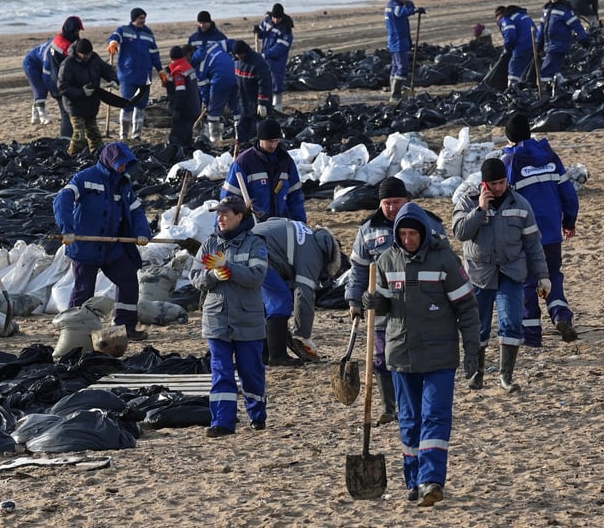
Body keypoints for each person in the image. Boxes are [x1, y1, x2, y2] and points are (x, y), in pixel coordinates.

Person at [363, 202, 480, 506]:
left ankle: (431, 480)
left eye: (413, 234)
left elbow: (467, 308)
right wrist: (372, 301)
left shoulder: (445, 261)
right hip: (401, 355)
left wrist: (472, 350)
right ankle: (414, 480)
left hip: (439, 355)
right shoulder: (386, 261)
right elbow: (384, 305)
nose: (408, 239)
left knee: (435, 416)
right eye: (402, 234)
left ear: (423, 233)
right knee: (410, 420)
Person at [346, 178, 448, 424]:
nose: (391, 208)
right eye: (387, 203)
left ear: (408, 201)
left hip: (420, 304)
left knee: (417, 356)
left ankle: (415, 405)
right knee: (382, 356)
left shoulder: (430, 224)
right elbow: (358, 268)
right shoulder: (368, 229)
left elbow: (446, 263)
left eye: (396, 202)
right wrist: (354, 299)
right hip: (382, 304)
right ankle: (388, 407)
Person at [452, 157, 548, 393]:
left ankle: (506, 377)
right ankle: (477, 374)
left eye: (502, 182)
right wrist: (480, 210)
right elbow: (460, 233)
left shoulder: (520, 204)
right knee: (479, 326)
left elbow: (533, 244)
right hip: (479, 274)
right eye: (493, 184)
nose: (498, 188)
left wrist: (543, 275)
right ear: (484, 184)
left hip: (511, 272)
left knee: (511, 322)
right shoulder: (467, 201)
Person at [53, 142, 152, 340]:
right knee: (84, 290)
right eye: (120, 163)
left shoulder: (124, 184)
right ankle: (75, 330)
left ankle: (125, 327)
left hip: (113, 247)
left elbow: (136, 211)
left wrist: (143, 232)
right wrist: (67, 229)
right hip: (86, 247)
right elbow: (63, 199)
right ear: (110, 161)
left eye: (126, 164)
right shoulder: (85, 178)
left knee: (128, 280)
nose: (123, 167)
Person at [191, 194, 269, 437]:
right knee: (221, 371)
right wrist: (213, 276)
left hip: (248, 320)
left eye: (225, 214)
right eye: (218, 214)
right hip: (217, 319)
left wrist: (229, 269)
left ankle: (257, 416)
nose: (220, 218)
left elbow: (257, 276)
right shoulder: (209, 245)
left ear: (239, 216)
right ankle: (222, 423)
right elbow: (195, 278)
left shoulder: (255, 244)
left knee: (250, 372)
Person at [502, 113, 580, 347]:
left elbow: (505, 199)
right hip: (552, 233)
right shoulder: (551, 156)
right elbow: (569, 193)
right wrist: (569, 222)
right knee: (552, 275)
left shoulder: (511, 161)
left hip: (525, 235)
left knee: (527, 281)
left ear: (509, 137)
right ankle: (561, 316)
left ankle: (532, 335)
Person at [250, 217, 342, 365]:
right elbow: (304, 294)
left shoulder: (306, 233)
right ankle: (278, 356)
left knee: (265, 307)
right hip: (259, 254)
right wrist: (303, 335)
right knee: (280, 301)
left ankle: (264, 354)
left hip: (246, 248)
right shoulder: (314, 255)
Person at [58, 38, 144, 157]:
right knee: (79, 137)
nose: (88, 56)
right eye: (85, 54)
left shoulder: (94, 58)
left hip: (91, 104)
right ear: (78, 53)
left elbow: (107, 69)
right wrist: (82, 92)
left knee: (95, 137)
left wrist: (113, 80)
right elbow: (62, 88)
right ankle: (70, 157)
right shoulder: (68, 64)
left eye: (89, 54)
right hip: (75, 106)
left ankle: (98, 157)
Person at [221, 118, 305, 222]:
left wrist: (301, 225)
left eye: (276, 141)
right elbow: (227, 201)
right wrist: (224, 229)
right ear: (261, 139)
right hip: (254, 227)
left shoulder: (286, 162)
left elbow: (295, 198)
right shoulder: (244, 164)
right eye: (270, 141)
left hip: (281, 226)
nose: (273, 145)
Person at [107, 8, 164, 139]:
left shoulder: (148, 33)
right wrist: (113, 43)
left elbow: (154, 54)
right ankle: (123, 135)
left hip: (145, 75)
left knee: (141, 106)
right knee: (127, 104)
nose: (142, 21)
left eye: (144, 18)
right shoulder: (124, 30)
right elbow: (115, 36)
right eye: (140, 18)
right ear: (134, 19)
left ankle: (136, 134)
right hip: (128, 75)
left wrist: (160, 69)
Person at [42, 16, 85, 139]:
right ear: (70, 30)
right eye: (76, 31)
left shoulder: (58, 39)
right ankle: (66, 139)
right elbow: (78, 62)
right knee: (68, 112)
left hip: (55, 81)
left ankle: (72, 138)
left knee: (68, 112)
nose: (78, 34)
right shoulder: (65, 46)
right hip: (61, 84)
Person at [537, 0, 588, 84]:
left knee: (546, 71)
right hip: (550, 45)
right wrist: (539, 42)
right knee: (553, 70)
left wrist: (583, 38)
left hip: (559, 45)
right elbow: (542, 28)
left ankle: (547, 89)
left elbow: (576, 24)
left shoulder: (564, 10)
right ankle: (557, 86)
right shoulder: (546, 9)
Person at [191, 39, 238, 143]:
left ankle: (215, 139)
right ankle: (241, 135)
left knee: (213, 112)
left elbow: (204, 88)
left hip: (220, 81)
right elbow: (232, 43)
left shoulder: (199, 67)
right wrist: (237, 54)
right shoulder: (214, 46)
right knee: (237, 108)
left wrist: (207, 103)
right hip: (236, 75)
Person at [230, 39, 272, 146]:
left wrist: (262, 102)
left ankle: (263, 146)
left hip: (256, 101)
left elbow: (264, 83)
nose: (239, 57)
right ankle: (242, 146)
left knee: (260, 127)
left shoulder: (258, 63)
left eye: (240, 55)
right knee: (242, 126)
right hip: (244, 101)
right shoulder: (237, 61)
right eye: (237, 55)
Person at [254, 3, 293, 113]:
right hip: (265, 58)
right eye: (274, 18)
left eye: (278, 18)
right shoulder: (267, 21)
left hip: (277, 62)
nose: (276, 20)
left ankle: (278, 107)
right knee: (264, 82)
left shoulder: (286, 30)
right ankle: (266, 105)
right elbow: (263, 33)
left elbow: (279, 49)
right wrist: (258, 32)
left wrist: (264, 55)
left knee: (276, 84)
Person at [384, 0, 421, 99]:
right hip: (398, 41)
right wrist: (413, 9)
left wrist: (410, 6)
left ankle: (394, 91)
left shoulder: (389, 5)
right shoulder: (395, 7)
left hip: (394, 40)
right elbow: (401, 13)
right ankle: (395, 94)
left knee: (395, 66)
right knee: (402, 67)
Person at [163, 45, 201, 149]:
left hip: (185, 111)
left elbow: (180, 92)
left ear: (171, 58)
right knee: (187, 139)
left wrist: (176, 110)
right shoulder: (188, 66)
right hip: (194, 108)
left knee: (176, 138)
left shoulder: (178, 71)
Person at [494, 5, 537, 88]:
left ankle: (512, 88)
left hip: (523, 46)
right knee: (528, 68)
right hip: (536, 43)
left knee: (514, 67)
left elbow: (510, 36)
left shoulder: (506, 19)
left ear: (499, 15)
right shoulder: (522, 15)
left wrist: (507, 48)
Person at [23, 39, 54, 125]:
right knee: (40, 89)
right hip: (31, 63)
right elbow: (47, 72)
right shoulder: (50, 50)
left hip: (37, 61)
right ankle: (42, 116)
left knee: (40, 91)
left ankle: (35, 115)